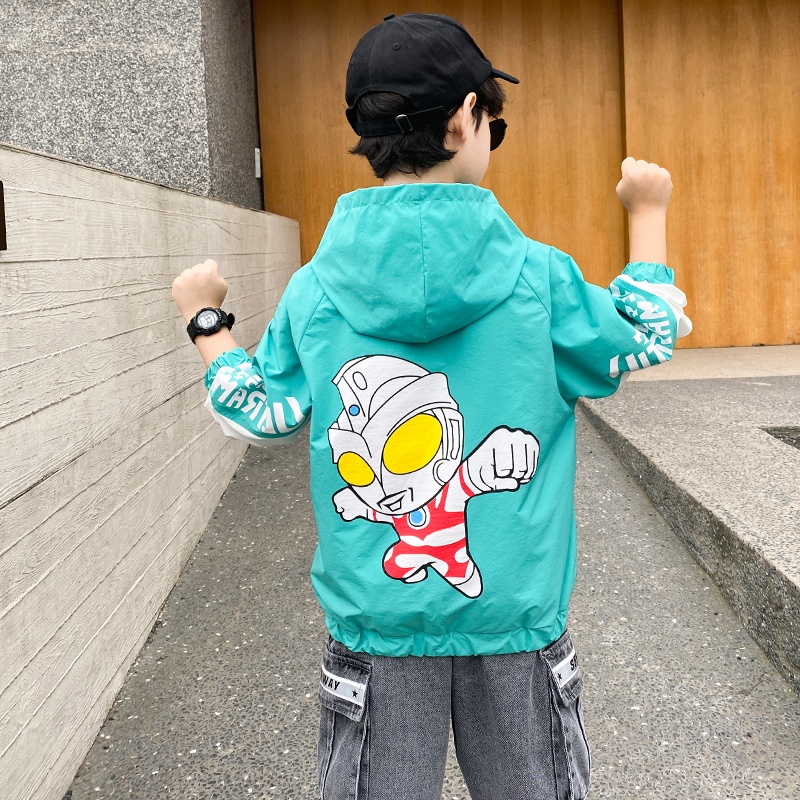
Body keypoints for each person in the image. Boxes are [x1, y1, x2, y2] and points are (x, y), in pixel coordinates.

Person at [171, 12, 691, 800]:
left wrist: (206, 322)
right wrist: (647, 212)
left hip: (378, 626)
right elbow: (645, 334)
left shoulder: (315, 292)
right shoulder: (539, 279)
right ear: (463, 120)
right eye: (494, 124)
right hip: (514, 622)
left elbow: (257, 413)